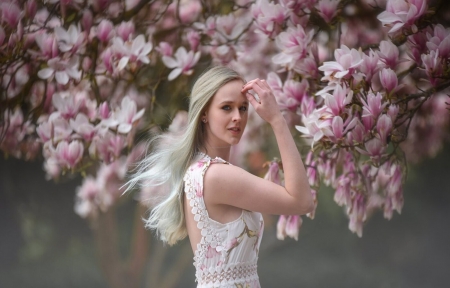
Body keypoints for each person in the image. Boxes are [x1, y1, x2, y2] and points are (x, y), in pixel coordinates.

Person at [127, 66, 313, 287]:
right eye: (226, 108)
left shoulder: (201, 170)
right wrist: (277, 121)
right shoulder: (216, 175)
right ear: (204, 112)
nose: (237, 117)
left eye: (243, 108)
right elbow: (302, 202)